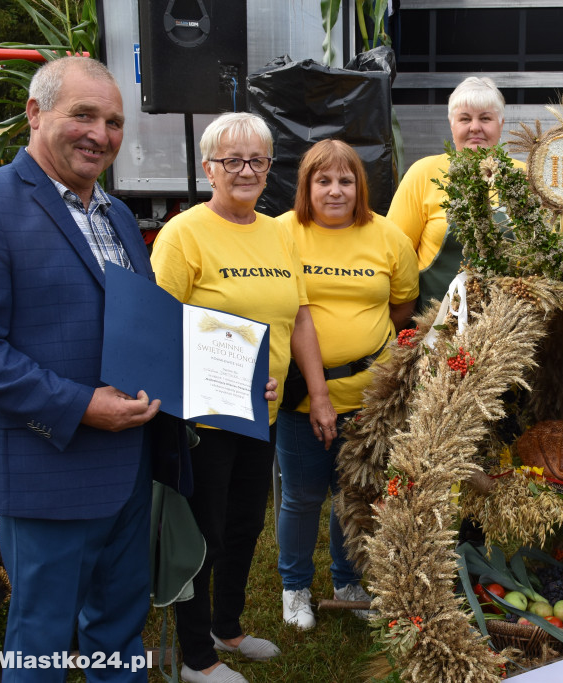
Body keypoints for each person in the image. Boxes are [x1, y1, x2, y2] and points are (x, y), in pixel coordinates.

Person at [0, 57, 189, 683]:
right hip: (49, 469)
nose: (101, 133)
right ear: (35, 113)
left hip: (130, 467)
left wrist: (222, 382)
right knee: (42, 641)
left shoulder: (119, 215)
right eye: (84, 115)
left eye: (114, 122)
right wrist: (81, 406)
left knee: (119, 632)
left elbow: (146, 330)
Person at [150, 112, 335, 683]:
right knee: (203, 531)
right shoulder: (184, 233)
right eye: (233, 160)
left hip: (264, 412)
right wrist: (223, 377)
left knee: (245, 524)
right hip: (205, 417)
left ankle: (226, 627)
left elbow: (299, 316)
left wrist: (320, 393)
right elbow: (160, 327)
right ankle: (195, 658)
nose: (247, 170)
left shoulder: (277, 231)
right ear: (209, 167)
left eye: (258, 159)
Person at [275, 139, 418, 630]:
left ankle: (347, 578)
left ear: (360, 186)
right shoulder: (281, 233)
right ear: (306, 187)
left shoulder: (387, 236)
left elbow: (402, 306)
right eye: (323, 180)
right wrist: (318, 393)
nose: (335, 191)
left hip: (371, 396)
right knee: (301, 495)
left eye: (345, 180)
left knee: (354, 492)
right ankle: (294, 587)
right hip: (300, 395)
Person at [386, 76, 524, 310]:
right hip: (434, 328)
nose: (475, 127)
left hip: (512, 329)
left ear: (501, 124)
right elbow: (393, 252)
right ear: (452, 125)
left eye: (485, 118)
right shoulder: (423, 173)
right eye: (465, 119)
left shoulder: (524, 177)